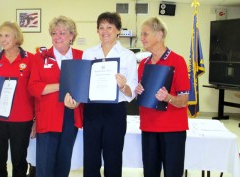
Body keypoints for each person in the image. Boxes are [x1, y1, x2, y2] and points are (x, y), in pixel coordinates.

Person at [64, 12, 138, 177]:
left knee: (113, 158)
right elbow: (83, 84)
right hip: (92, 110)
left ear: (118, 30)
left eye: (109, 27)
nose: (105, 31)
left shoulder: (128, 56)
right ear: (97, 30)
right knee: (90, 158)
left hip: (115, 112)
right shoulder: (88, 54)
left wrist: (123, 86)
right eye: (101, 27)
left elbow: (131, 90)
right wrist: (75, 101)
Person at [28, 16, 83, 177]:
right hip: (47, 115)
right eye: (54, 33)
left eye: (62, 32)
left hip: (71, 115)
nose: (57, 36)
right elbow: (33, 87)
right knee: (45, 165)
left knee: (63, 163)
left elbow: (85, 87)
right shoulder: (40, 57)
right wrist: (62, 86)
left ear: (71, 35)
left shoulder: (81, 56)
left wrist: (78, 100)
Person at [135, 17, 190, 177]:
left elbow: (184, 100)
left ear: (159, 35)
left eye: (145, 34)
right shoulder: (144, 64)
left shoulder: (177, 61)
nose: (142, 38)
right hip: (148, 127)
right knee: (150, 173)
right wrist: (138, 91)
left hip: (172, 129)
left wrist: (168, 98)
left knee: (172, 173)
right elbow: (142, 96)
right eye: (141, 34)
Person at [0, 21, 34, 177]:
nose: (3, 39)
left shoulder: (30, 59)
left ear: (16, 37)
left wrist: (36, 120)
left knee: (19, 162)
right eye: (0, 35)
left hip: (22, 120)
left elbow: (35, 91)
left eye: (7, 35)